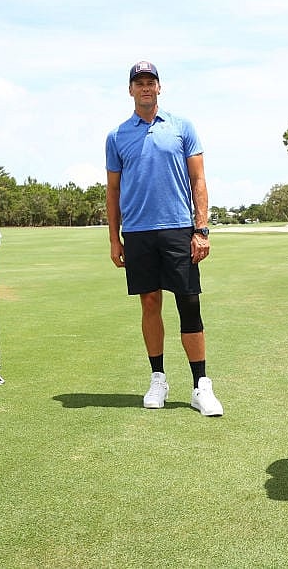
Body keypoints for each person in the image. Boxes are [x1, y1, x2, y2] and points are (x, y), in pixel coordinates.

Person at [105, 60, 223, 417]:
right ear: (130, 89)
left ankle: (201, 385)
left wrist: (201, 229)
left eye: (150, 81)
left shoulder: (182, 127)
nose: (145, 87)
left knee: (189, 302)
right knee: (150, 304)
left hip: (178, 228)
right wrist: (114, 239)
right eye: (138, 82)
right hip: (138, 232)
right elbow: (112, 190)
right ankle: (158, 378)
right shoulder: (117, 136)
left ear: (160, 87)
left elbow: (198, 180)